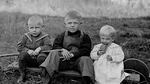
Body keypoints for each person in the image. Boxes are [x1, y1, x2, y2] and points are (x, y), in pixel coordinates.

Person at [40, 11, 94, 84]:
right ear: (65, 24)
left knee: (86, 59)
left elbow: (86, 50)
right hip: (63, 61)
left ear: (80, 23)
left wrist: (73, 54)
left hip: (77, 62)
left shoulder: (85, 36)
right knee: (54, 53)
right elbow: (55, 46)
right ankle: (50, 78)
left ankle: (86, 80)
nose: (72, 25)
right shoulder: (61, 36)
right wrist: (62, 50)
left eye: (75, 23)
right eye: (69, 23)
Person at [17, 15, 52, 83]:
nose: (34, 30)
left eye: (37, 27)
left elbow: (49, 46)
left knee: (42, 57)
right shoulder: (26, 36)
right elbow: (19, 46)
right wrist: (27, 50)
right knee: (22, 55)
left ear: (42, 27)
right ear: (28, 27)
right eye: (31, 28)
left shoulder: (45, 37)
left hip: (40, 61)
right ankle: (22, 74)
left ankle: (43, 75)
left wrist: (40, 48)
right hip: (29, 60)